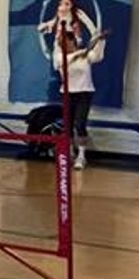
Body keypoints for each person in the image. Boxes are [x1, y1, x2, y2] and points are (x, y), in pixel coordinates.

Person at [51, 21, 107, 170]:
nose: (63, 44)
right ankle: (69, 152)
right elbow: (65, 61)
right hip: (67, 94)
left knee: (80, 124)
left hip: (84, 93)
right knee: (67, 125)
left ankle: (81, 156)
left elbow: (98, 56)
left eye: (65, 41)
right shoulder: (58, 57)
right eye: (60, 42)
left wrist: (101, 41)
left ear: (72, 41)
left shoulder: (85, 54)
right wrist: (80, 53)